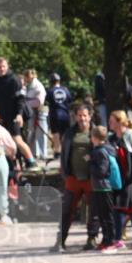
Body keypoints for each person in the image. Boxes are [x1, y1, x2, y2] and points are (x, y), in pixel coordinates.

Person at [53, 104, 100, 252]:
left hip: (91, 178)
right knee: (66, 210)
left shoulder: (96, 131)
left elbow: (103, 150)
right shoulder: (69, 133)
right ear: (75, 117)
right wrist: (65, 173)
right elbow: (63, 154)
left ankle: (92, 238)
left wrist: (92, 158)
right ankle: (60, 241)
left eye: (85, 115)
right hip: (73, 178)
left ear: (90, 116)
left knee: (94, 210)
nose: (82, 118)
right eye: (79, 115)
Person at [108, 110, 132, 250]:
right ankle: (118, 239)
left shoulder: (131, 135)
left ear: (119, 121)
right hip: (118, 177)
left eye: (112, 121)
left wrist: (126, 154)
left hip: (131, 177)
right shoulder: (111, 138)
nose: (109, 123)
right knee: (118, 208)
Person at [0, 57, 34, 168]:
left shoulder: (14, 80)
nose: (1, 69)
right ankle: (11, 164)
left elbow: (21, 99)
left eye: (3, 66)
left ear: (7, 66)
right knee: (2, 142)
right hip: (0, 118)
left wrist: (19, 114)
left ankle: (31, 161)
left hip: (14, 116)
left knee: (17, 139)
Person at [88, 126, 118, 253]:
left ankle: (111, 241)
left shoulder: (100, 151)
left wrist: (91, 164)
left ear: (94, 138)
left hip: (104, 188)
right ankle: (105, 240)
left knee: (107, 216)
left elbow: (102, 170)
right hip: (99, 187)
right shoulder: (99, 150)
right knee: (102, 215)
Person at [23, 69, 49, 162]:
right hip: (31, 112)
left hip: (39, 112)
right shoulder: (28, 85)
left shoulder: (37, 85)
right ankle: (35, 153)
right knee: (31, 133)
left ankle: (43, 154)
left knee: (41, 133)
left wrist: (25, 103)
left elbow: (39, 101)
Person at [46, 73, 72, 157]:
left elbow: (47, 101)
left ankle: (57, 151)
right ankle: (66, 149)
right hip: (65, 113)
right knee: (65, 133)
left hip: (55, 114)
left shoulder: (50, 91)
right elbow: (70, 100)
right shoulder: (65, 90)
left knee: (56, 133)